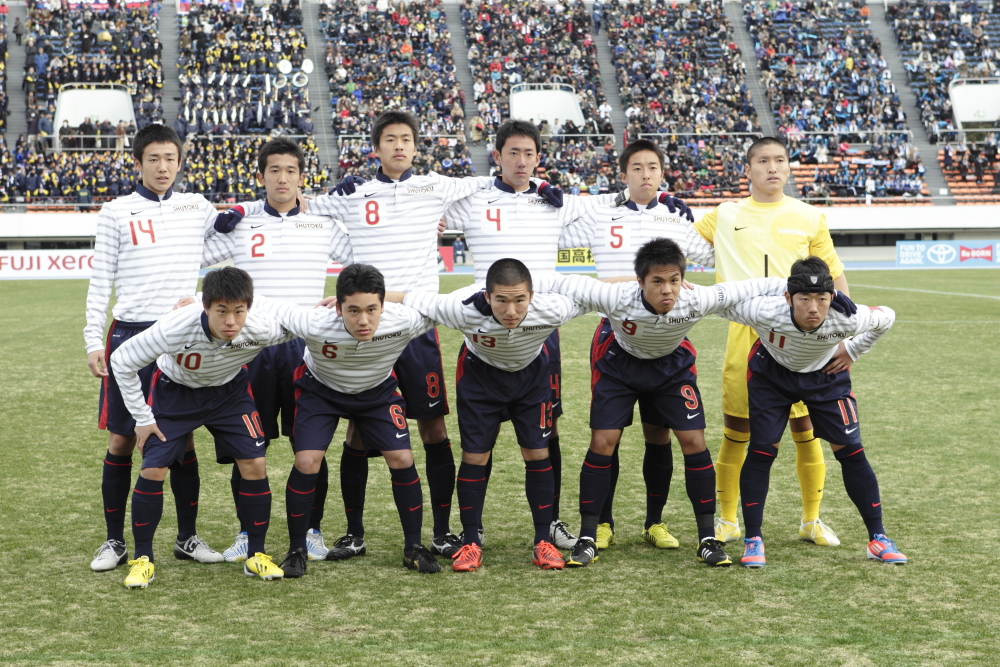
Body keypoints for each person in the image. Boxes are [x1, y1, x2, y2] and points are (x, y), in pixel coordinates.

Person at [291, 110, 496, 559]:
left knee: (433, 430)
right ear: (376, 148)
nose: (399, 145)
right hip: (367, 324)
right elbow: (301, 207)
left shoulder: (436, 186)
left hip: (416, 327)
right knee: (358, 434)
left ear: (416, 146)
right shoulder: (355, 192)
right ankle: (354, 532)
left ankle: (441, 531)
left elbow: (490, 183)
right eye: (390, 139)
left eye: (406, 138)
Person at [536, 238, 786, 567]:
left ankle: (706, 538)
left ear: (683, 280)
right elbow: (559, 281)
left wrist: (794, 290)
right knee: (603, 441)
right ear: (639, 282)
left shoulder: (698, 298)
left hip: (671, 368)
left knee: (693, 441)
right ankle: (588, 536)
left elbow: (755, 286)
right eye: (657, 281)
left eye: (674, 280)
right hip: (619, 366)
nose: (667, 290)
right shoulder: (616, 296)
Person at [443, 119, 613, 550]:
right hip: (486, 325)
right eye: (512, 153)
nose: (522, 161)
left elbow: (612, 203)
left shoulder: (554, 200)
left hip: (539, 331)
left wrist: (664, 198)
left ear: (539, 158)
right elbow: (425, 200)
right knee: (479, 446)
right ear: (497, 156)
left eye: (529, 154)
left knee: (546, 431)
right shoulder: (474, 198)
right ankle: (472, 531)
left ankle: (550, 522)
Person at [83, 124, 229, 573]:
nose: (163, 167)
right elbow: (99, 278)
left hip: (179, 336)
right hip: (129, 335)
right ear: (138, 163)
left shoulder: (196, 206)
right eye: (153, 159)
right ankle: (114, 542)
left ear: (180, 162)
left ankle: (186, 538)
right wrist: (93, 340)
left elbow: (230, 232)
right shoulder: (115, 212)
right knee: (123, 439)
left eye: (170, 159)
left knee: (180, 440)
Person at [693, 136, 849, 547]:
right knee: (738, 429)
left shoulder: (809, 216)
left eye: (780, 160)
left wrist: (842, 335)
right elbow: (682, 240)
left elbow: (834, 277)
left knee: (807, 429)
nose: (773, 167)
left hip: (802, 337)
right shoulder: (724, 215)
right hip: (745, 333)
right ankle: (727, 519)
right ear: (748, 170)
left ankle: (811, 519)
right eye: (763, 160)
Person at [204, 138, 354, 563]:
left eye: (290, 170)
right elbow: (191, 252)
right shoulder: (242, 226)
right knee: (247, 446)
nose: (282, 178)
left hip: (305, 346)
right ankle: (247, 533)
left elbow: (362, 258)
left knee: (311, 445)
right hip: (251, 348)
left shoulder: (321, 225)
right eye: (274, 170)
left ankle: (311, 530)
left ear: (301, 178)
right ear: (261, 177)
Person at [387, 258, 588, 572]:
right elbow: (409, 298)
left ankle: (542, 541)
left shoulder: (553, 309)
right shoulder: (461, 308)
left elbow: (602, 297)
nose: (511, 311)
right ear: (487, 295)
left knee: (537, 453)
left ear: (532, 296)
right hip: (479, 380)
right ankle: (470, 542)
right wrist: (356, 298)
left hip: (531, 379)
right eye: (501, 301)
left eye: (520, 300)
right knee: (475, 456)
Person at [558, 138, 710, 551]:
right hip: (615, 335)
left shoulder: (676, 217)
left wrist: (705, 221)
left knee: (659, 436)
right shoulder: (599, 214)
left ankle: (654, 522)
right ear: (622, 175)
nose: (646, 174)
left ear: (663, 173)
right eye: (638, 168)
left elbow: (711, 254)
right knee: (609, 437)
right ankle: (602, 522)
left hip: (664, 335)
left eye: (654, 167)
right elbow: (551, 237)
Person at [111, 267, 295, 587]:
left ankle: (257, 555)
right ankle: (143, 560)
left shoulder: (261, 328)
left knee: (255, 463)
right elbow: (122, 361)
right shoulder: (173, 327)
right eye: (221, 311)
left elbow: (303, 324)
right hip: (175, 395)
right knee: (153, 470)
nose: (230, 322)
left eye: (239, 311)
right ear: (205, 306)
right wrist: (143, 418)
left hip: (230, 395)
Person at [254, 264, 443, 577]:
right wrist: (198, 300)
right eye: (353, 310)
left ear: (385, 306)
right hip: (320, 392)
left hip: (377, 393)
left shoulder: (404, 320)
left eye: (372, 309)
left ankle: (413, 547)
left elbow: (451, 305)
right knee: (307, 461)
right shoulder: (313, 321)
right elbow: (256, 300)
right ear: (338, 308)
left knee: (401, 457)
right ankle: (297, 549)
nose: (363, 320)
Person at [718, 257, 906, 568]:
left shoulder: (848, 318)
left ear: (832, 298)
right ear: (788, 298)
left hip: (826, 377)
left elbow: (887, 316)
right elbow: (717, 303)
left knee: (851, 452)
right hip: (770, 375)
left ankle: (878, 538)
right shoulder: (764, 311)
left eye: (821, 299)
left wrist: (854, 349)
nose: (814, 308)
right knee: (762, 450)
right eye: (804, 299)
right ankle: (754, 539)